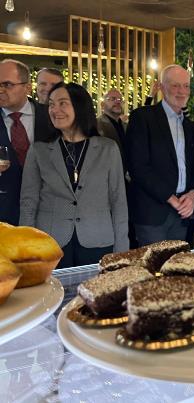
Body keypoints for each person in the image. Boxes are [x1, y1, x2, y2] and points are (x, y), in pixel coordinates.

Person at [20, 82, 128, 268]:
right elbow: (29, 201)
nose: (55, 110)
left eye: (62, 103)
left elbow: (118, 201)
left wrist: (121, 250)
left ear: (80, 106)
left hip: (98, 239)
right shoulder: (39, 151)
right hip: (50, 242)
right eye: (51, 104)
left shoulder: (108, 149)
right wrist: (26, 247)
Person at [125, 64, 194, 245]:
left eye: (185, 86)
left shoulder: (189, 127)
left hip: (182, 213)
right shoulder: (142, 117)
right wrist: (171, 198)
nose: (182, 91)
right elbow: (137, 167)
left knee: (177, 262)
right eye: (175, 85)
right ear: (161, 87)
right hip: (152, 214)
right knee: (153, 263)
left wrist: (193, 194)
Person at [0, 59, 55, 225]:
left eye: (7, 84)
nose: (1, 90)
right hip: (4, 219)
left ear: (27, 87)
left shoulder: (53, 117)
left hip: (48, 214)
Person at [97, 88, 126, 158]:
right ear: (102, 105)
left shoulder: (127, 126)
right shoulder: (96, 125)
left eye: (120, 99)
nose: (118, 102)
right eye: (113, 99)